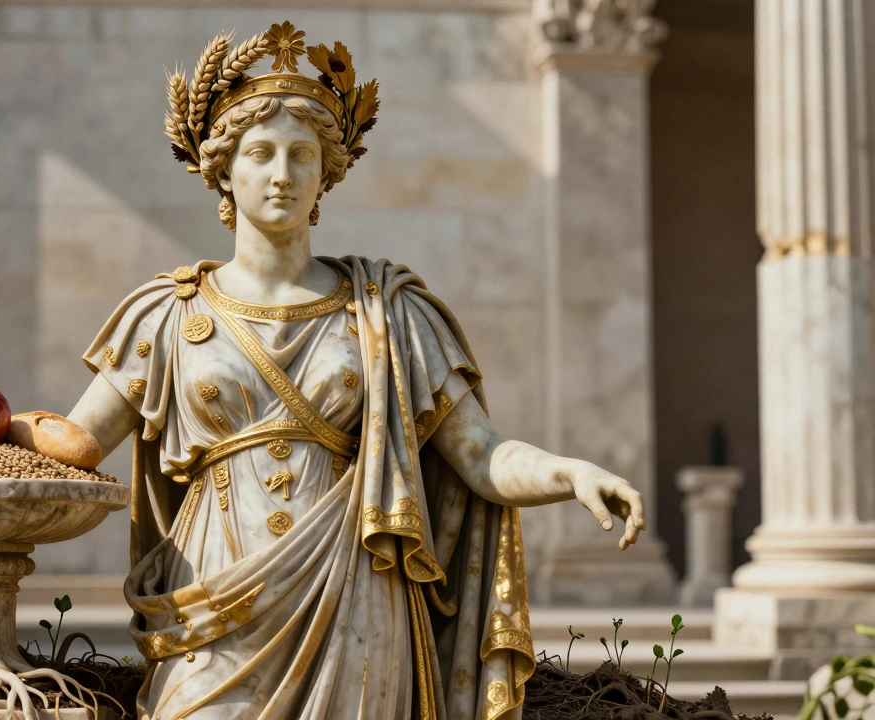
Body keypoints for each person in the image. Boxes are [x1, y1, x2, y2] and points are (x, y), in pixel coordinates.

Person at [65, 21, 647, 720]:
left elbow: (480, 456)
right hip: (213, 594)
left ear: (325, 174)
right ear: (223, 169)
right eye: (260, 153)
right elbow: (75, 446)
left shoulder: (388, 310)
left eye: (302, 155)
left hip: (356, 597)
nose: (282, 174)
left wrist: (569, 473)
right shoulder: (166, 315)